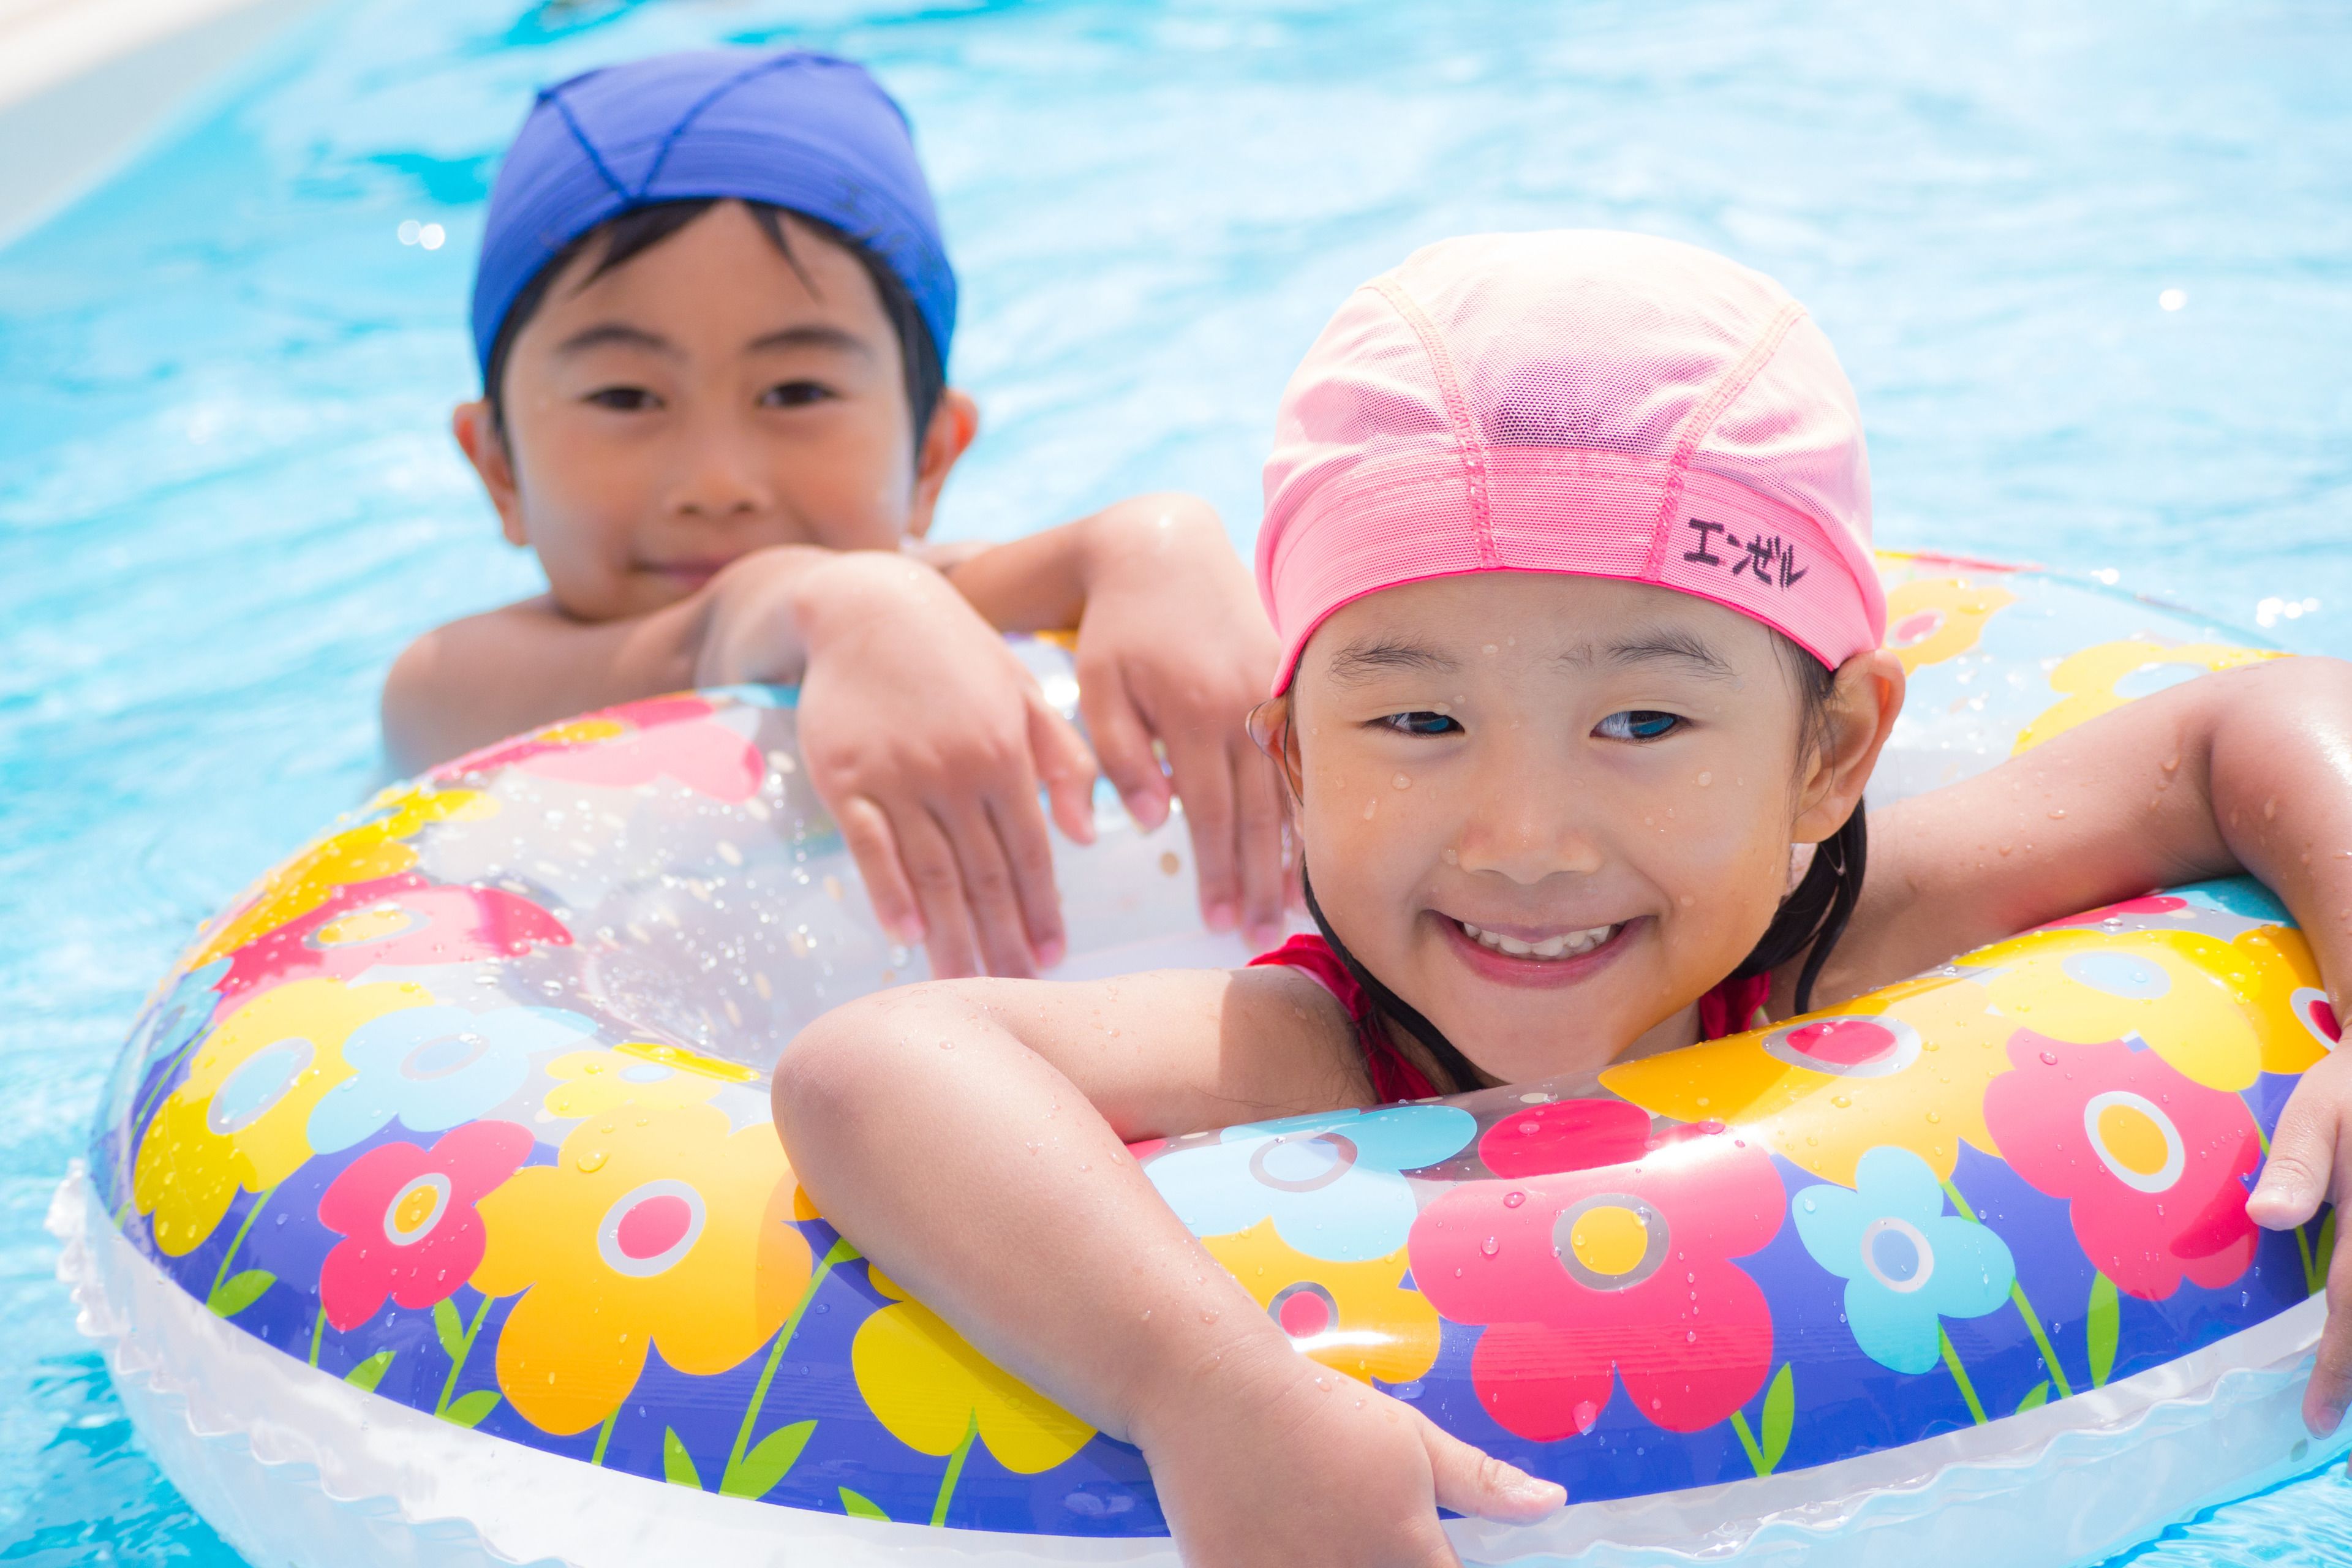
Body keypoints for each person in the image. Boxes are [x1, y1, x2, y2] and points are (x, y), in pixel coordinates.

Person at [773, 230, 2352, 1566]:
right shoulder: (1320, 1046)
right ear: (1293, 758)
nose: (1524, 837)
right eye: (1417, 723)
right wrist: (1212, 1390)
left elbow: (2259, 718)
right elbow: (875, 1066)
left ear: (1833, 750)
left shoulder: (1844, 938)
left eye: (1645, 723)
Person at [382, 48, 1289, 978]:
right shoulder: (450, 688)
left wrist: (1149, 544)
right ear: (497, 467)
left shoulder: (902, 600)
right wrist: (830, 599)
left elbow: (986, 583)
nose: (717, 480)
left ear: (931, 453)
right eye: (624, 398)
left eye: (796, 391)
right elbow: (706, 645)